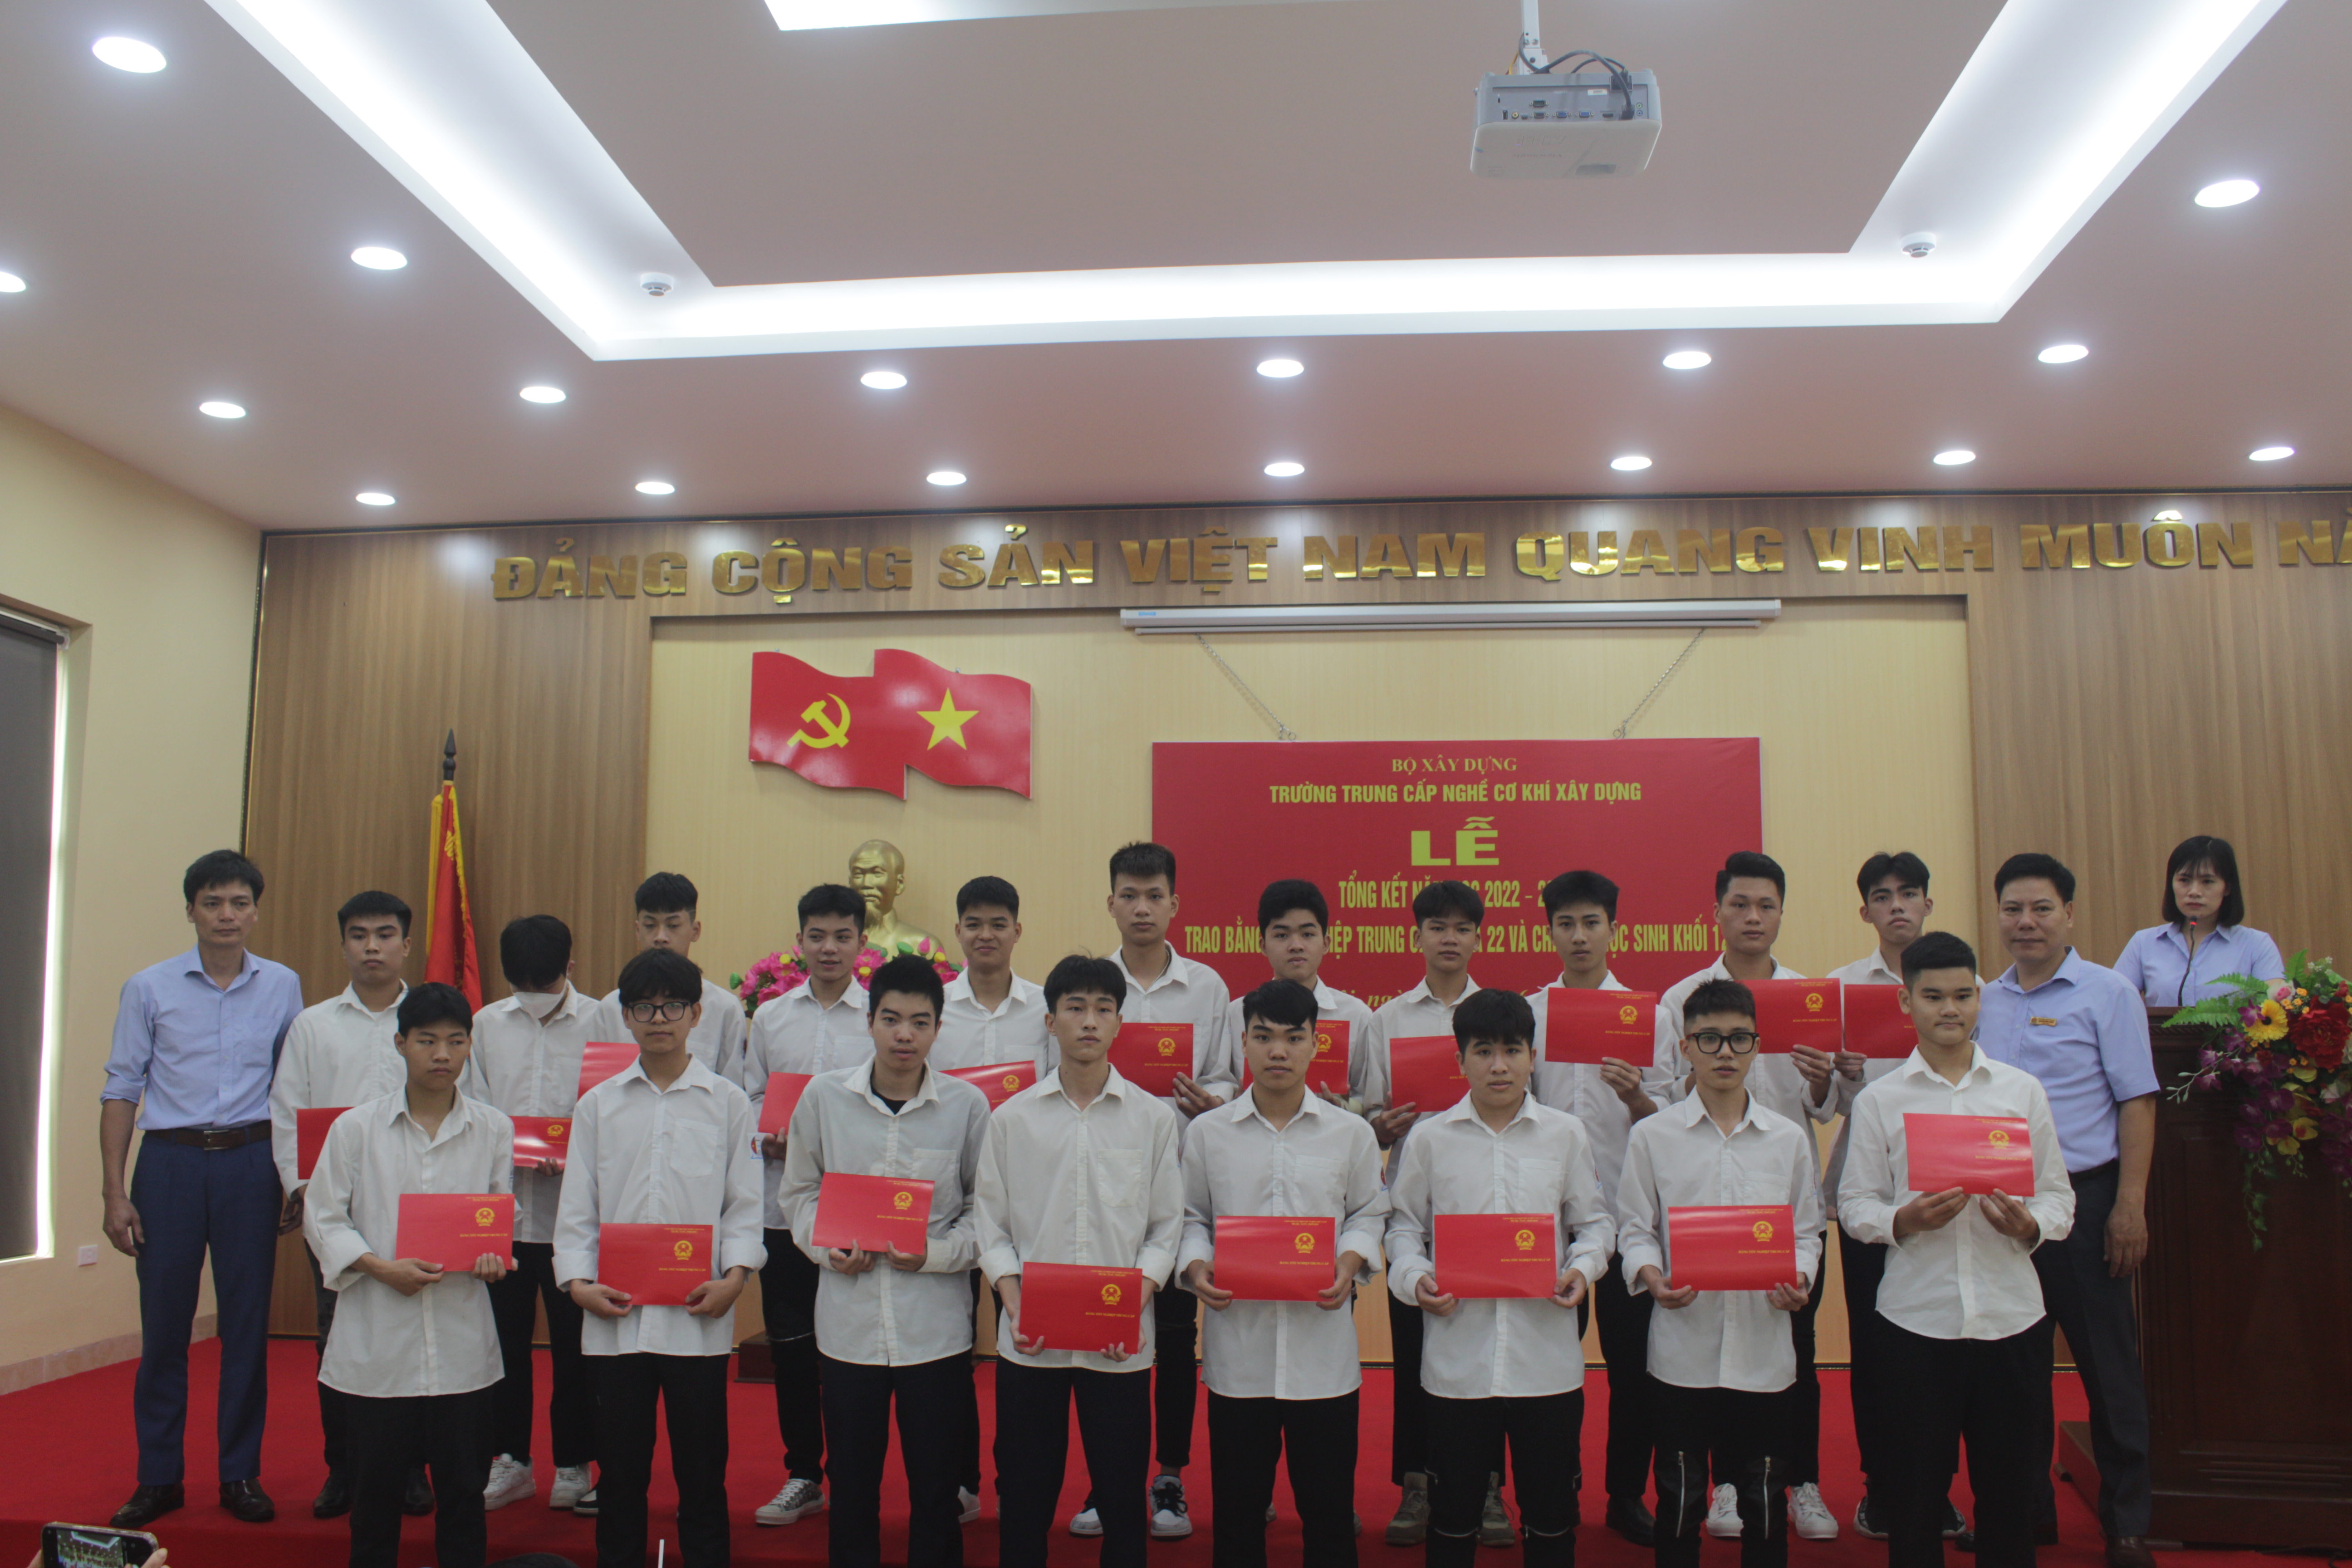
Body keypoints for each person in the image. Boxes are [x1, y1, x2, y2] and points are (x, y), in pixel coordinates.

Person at [1840, 931, 2076, 1568]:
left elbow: (2059, 1197)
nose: (1951, 1009)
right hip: (1916, 1321)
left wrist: (2029, 1226)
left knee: (2010, 1499)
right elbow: (1855, 1204)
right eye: (1934, 996)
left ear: (1980, 998)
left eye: (1964, 995)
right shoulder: (1881, 1099)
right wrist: (1902, 1220)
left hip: (2011, 1318)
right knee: (1915, 1499)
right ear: (1906, 1002)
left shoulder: (2020, 1092)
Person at [101, 850, 307, 1529]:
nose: (227, 915)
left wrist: (293, 1176)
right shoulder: (148, 988)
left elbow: (293, 1087)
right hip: (170, 1166)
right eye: (213, 903)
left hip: (251, 1164)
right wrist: (113, 1192)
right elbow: (122, 1088)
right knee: (164, 1328)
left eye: (239, 903)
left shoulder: (282, 985)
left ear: (256, 912)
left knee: (246, 1326)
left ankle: (239, 1473)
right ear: (190, 909)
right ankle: (158, 1477)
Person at [1385, 988, 1614, 1568]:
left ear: (1533, 1057)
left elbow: (1594, 1224)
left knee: (1551, 1520)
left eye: (1512, 1050)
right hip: (1457, 1364)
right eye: (1483, 1051)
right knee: (1453, 1521)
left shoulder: (1565, 1133)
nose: (1499, 1066)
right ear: (1459, 1059)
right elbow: (1403, 1229)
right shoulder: (1430, 1139)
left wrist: (1582, 1268)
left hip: (1547, 1363)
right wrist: (1415, 1278)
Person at [779, 954, 993, 1568]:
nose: (905, 1035)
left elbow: (984, 1213)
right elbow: (798, 1194)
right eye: (892, 1019)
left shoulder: (967, 1106)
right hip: (849, 1330)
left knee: (937, 1491)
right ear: (869, 1021)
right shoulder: (824, 1098)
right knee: (852, 1487)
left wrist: (934, 1255)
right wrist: (826, 1247)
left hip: (936, 1332)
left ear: (938, 1028)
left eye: (920, 1023)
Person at [1649, 851, 1837, 1544]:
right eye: (1740, 905)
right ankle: (1726, 1485)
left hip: (1779, 1201)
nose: (1753, 917)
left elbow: (1822, 1109)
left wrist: (1822, 1078)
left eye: (1766, 905)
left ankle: (1798, 1481)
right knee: (1705, 1355)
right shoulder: (1682, 998)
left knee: (1794, 1352)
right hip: (1700, 1203)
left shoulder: (1807, 998)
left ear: (1781, 913)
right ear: (1717, 913)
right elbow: (1664, 1100)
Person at [555, 948, 764, 1568]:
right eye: (644, 1008)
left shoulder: (728, 1102)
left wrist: (735, 1279)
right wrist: (578, 1285)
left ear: (696, 1014)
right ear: (625, 1016)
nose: (659, 1019)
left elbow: (744, 1204)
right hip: (614, 1316)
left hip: (698, 1315)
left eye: (672, 1006)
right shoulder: (598, 1104)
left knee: (703, 1471)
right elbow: (577, 1209)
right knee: (621, 1473)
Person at [1978, 855, 2159, 1568]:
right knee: (2014, 1375)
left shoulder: (2108, 993)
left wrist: (2130, 1205)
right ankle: (2026, 1515)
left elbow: (2137, 1101)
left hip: (2087, 1202)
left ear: (2070, 914)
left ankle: (2128, 1523)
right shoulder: (1983, 999)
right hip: (2005, 1210)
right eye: (2013, 909)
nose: (2026, 923)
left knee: (2107, 1370)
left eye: (2041, 909)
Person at [976, 954, 1184, 1568]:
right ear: (1050, 1021)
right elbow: (991, 1227)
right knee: (1025, 1497)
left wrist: (1131, 1306)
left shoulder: (1153, 1120)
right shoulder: (1012, 1119)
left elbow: (1165, 1229)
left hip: (1118, 1343)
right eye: (1075, 1008)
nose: (1089, 1021)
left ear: (1120, 1022)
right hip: (1030, 1340)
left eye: (1102, 1009)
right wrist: (1015, 1305)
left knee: (1121, 1499)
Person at [303, 982, 513, 1568]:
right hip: (379, 1349)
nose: (442, 1055)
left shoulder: (493, 1129)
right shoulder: (355, 1129)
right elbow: (323, 1218)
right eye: (426, 1041)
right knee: (374, 1503)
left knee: (464, 1497)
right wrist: (378, 1268)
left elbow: (500, 1215)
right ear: (400, 1044)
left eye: (455, 1041)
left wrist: (494, 1256)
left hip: (461, 1346)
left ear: (470, 1045)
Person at [1181, 979, 1389, 1568]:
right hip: (1238, 1355)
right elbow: (1191, 1217)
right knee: (1238, 1515)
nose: (1278, 1051)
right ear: (1243, 1042)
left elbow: (1369, 1212)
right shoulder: (1209, 1133)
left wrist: (1351, 1260)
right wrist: (1196, 1266)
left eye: (1294, 1038)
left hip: (1323, 1356)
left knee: (1329, 1515)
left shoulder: (1350, 1133)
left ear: (1316, 1044)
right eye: (1264, 1037)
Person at [1617, 978, 1825, 1568]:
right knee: (1680, 1498)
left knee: (1764, 1499)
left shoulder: (1787, 1139)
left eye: (1739, 1039)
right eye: (1709, 1039)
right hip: (1683, 1347)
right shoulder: (1653, 1136)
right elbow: (1633, 1228)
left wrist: (1801, 1278)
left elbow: (1806, 1232)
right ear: (1686, 1047)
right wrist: (1651, 1276)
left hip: (1765, 1347)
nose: (1725, 1052)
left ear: (1758, 1045)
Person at [1810, 853, 1971, 1545]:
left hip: (1952, 1192)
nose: (1897, 906)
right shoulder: (1841, 990)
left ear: (1928, 903)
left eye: (1909, 894)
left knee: (1949, 1350)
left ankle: (1936, 1490)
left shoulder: (1964, 982)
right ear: (1866, 911)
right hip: (1872, 1194)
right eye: (1883, 896)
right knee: (1877, 1349)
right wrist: (1840, 1076)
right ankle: (1883, 1487)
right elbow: (1824, 1106)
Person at [268, 890, 427, 1520]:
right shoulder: (313, 1026)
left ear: (406, 944)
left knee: (411, 1337)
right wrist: (303, 1192)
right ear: (343, 946)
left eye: (384, 935)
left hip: (414, 1208)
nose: (372, 947)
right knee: (336, 1338)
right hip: (335, 1210)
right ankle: (345, 1468)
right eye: (359, 936)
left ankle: (410, 1470)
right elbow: (287, 1112)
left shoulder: (430, 1020)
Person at [1096, 841, 1233, 1540]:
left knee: (1177, 1340)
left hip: (1178, 1188)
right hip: (1102, 1189)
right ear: (1111, 903)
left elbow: (1231, 1077)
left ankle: (1169, 1477)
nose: (1142, 908)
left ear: (1175, 904)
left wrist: (1215, 1100)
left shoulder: (1208, 988)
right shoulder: (1092, 985)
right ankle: (1105, 1481)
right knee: (1105, 1332)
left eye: (1155, 896)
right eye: (1130, 895)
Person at [1526, 870, 1662, 1548]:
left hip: (1629, 1215)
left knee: (1635, 1367)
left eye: (1591, 923)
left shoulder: (1649, 1016)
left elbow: (1671, 1124)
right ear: (1549, 931)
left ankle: (1626, 1494)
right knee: (1553, 1365)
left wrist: (1637, 1097)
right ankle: (1558, 1482)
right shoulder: (1530, 1014)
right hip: (1550, 1223)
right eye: (1566, 924)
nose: (1579, 936)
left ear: (1614, 929)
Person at [464, 915, 616, 1515]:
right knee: (502, 1343)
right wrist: (508, 1154)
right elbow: (471, 1107)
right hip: (502, 1215)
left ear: (570, 968)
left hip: (574, 1219)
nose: (532, 1001)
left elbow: (611, 1109)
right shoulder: (484, 1024)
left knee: (577, 1346)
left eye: (545, 990)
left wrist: (574, 1156)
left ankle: (575, 1461)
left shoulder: (603, 1021)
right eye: (522, 990)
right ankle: (511, 1459)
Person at [742, 883, 876, 1529]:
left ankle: (854, 1474)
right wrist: (764, 1132)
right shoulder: (771, 1018)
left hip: (854, 1207)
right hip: (784, 1209)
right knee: (792, 1347)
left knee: (853, 1350)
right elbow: (749, 1096)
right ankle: (803, 1474)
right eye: (817, 936)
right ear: (799, 942)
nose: (829, 948)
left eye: (842, 936)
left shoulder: (879, 1016)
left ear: (862, 944)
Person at [1359, 879, 1487, 1548]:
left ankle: (1487, 1487)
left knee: (1485, 1349)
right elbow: (1366, 1115)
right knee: (1412, 1352)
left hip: (1485, 1206)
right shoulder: (1386, 1020)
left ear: (1478, 939)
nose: (1449, 938)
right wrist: (1380, 1127)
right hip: (1413, 1207)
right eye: (1438, 927)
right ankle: (1417, 1485)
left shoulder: (1498, 1014)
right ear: (1417, 937)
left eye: (1462, 928)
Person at [1220, 880, 1379, 1109]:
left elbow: (1367, 1095)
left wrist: (1343, 1108)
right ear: (1263, 945)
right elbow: (1223, 1082)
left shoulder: (1356, 1014)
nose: (1296, 945)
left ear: (1326, 943)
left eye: (1307, 934)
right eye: (1282, 935)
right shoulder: (1237, 1013)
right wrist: (1230, 1100)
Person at [599, 872, 747, 1081]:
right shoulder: (610, 1007)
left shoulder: (725, 1008)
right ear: (637, 930)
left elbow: (732, 1087)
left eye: (673, 926)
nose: (661, 937)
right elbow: (601, 1087)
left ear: (695, 931)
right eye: (650, 926)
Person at [2111, 835, 2286, 1008]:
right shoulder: (2144, 943)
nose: (2194, 892)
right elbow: (2113, 1002)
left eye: (2207, 881)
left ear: (2227, 888)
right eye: (2184, 880)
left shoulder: (2256, 945)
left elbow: (2274, 1010)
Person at [935, 876, 1049, 1072]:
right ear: (959, 932)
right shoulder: (936, 1007)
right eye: (974, 925)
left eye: (998, 926)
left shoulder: (1045, 1008)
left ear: (1017, 932)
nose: (986, 936)